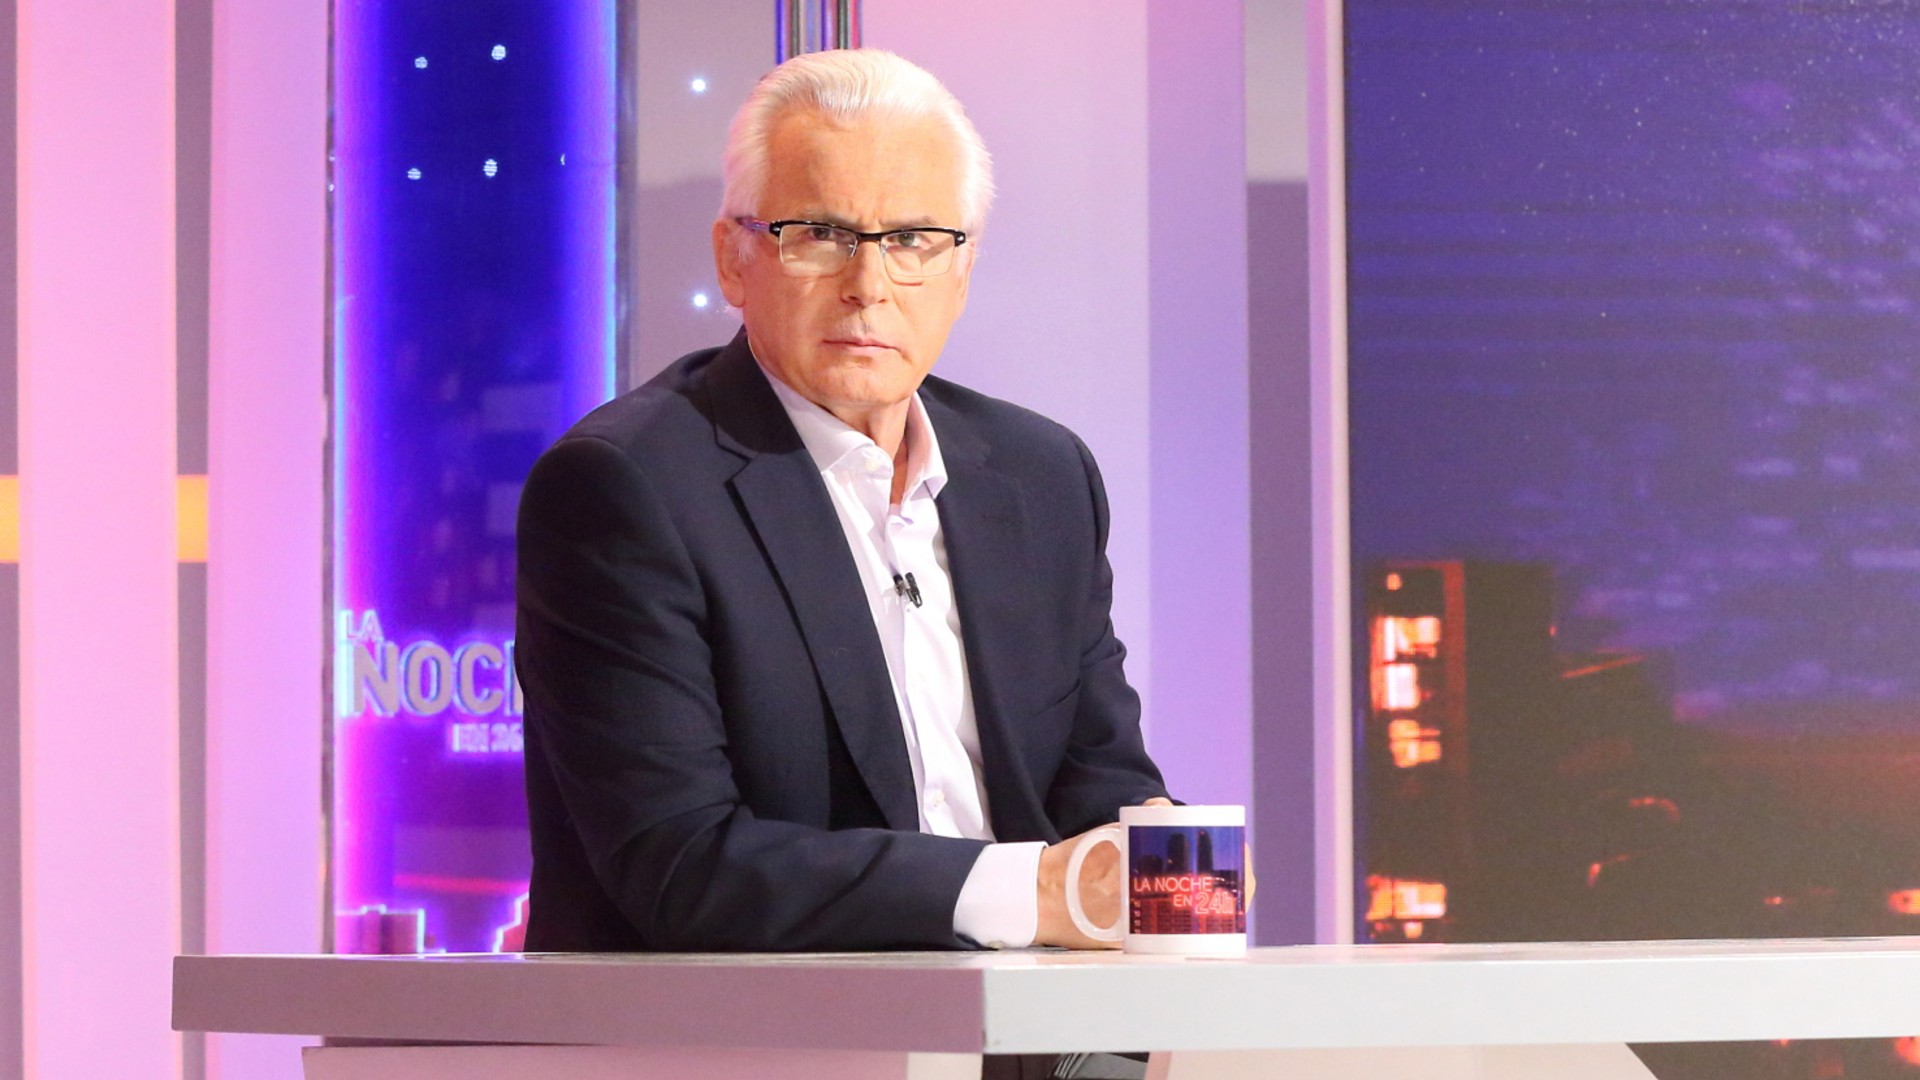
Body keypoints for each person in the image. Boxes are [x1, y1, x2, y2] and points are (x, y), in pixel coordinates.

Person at [515, 48, 1170, 960]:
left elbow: (1102, 785)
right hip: (755, 1025)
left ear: (962, 270)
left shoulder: (1042, 477)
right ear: (734, 260)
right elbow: (680, 865)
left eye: (912, 240)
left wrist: (1170, 860)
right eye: (821, 234)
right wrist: (1030, 892)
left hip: (1034, 1020)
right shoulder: (625, 488)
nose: (870, 285)